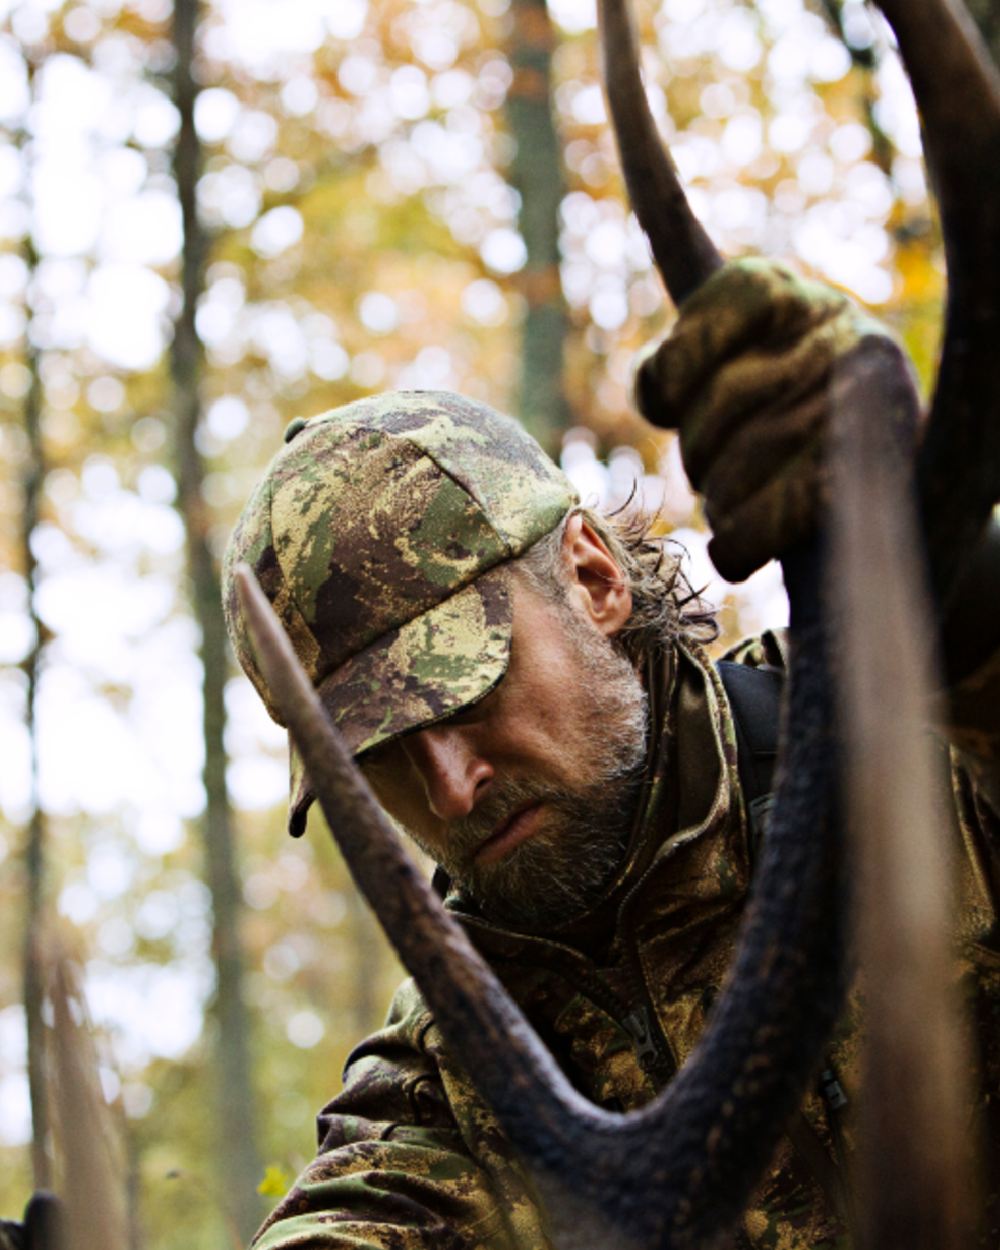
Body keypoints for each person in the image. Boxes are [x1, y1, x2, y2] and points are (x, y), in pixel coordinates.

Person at [223, 259, 1000, 1250]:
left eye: (467, 686)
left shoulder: (924, 761)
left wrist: (960, 586)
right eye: (376, 752)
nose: (452, 790)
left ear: (592, 578)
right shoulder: (451, 1078)